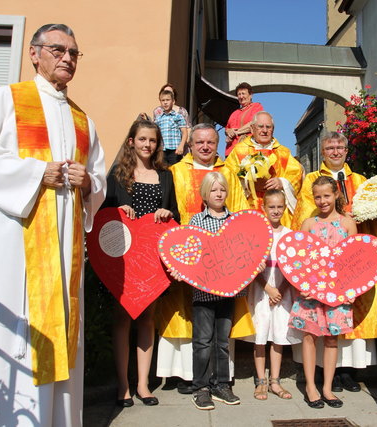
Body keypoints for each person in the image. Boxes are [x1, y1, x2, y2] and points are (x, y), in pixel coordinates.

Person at [0, 24, 106, 426]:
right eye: (58, 49)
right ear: (33, 53)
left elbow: (98, 178)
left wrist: (89, 182)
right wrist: (35, 174)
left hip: (64, 252)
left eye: (74, 53)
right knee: (16, 334)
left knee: (61, 335)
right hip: (15, 246)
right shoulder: (6, 100)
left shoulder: (83, 120)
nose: (67, 58)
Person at [292, 132, 377, 393]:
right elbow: (304, 221)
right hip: (319, 269)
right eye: (330, 148)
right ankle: (325, 376)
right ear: (322, 152)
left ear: (347, 151)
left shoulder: (360, 181)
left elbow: (371, 224)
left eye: (340, 147)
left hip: (348, 269)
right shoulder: (312, 181)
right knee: (318, 327)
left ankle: (348, 371)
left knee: (342, 323)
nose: (335, 152)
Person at [155, 123, 249, 394]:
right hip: (185, 259)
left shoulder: (229, 172)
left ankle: (220, 378)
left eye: (210, 142)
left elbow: (241, 215)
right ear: (191, 145)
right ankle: (183, 375)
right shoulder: (175, 172)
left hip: (222, 266)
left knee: (217, 332)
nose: (205, 147)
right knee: (185, 319)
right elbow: (168, 212)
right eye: (199, 143)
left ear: (217, 144)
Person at [169, 172, 264, 410]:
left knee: (222, 342)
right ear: (205, 194)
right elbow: (189, 253)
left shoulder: (235, 221)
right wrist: (181, 270)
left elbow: (246, 250)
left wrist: (256, 263)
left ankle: (222, 384)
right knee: (202, 341)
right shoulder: (196, 221)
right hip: (203, 293)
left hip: (228, 292)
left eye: (222, 189)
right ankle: (200, 387)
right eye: (214, 190)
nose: (219, 194)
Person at [101, 119, 179, 407]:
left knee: (147, 318)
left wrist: (166, 213)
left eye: (153, 140)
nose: (148, 145)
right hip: (124, 260)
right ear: (131, 141)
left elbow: (176, 217)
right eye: (143, 139)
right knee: (122, 318)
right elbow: (101, 218)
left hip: (154, 260)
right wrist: (116, 209)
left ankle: (144, 385)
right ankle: (123, 386)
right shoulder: (117, 176)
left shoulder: (165, 176)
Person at [289, 176, 357, 409]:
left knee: (331, 339)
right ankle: (310, 386)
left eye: (326, 195)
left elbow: (353, 259)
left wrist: (351, 289)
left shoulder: (347, 223)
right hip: (311, 293)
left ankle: (327, 387)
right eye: (317, 196)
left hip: (338, 292)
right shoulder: (309, 224)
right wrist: (303, 286)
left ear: (336, 195)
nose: (322, 201)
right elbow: (298, 260)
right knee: (309, 337)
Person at [246, 189, 301, 401]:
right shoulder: (258, 234)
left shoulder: (289, 235)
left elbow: (293, 268)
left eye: (280, 206)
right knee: (260, 337)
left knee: (278, 336)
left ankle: (275, 381)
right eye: (272, 207)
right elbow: (251, 265)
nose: (276, 211)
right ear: (263, 208)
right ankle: (260, 381)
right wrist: (267, 287)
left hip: (282, 291)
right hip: (261, 290)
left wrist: (281, 290)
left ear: (285, 207)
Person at [225, 111, 304, 228]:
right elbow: (228, 177)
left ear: (273, 129)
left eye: (268, 127)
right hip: (248, 209)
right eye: (260, 126)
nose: (265, 130)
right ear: (252, 129)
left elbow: (297, 174)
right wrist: (248, 184)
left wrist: (282, 182)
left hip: (278, 213)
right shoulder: (239, 151)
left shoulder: (283, 152)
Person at [224, 82, 263, 156]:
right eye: (239, 94)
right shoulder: (234, 113)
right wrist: (229, 132)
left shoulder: (256, 107)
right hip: (230, 152)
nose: (241, 96)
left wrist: (236, 132)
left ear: (250, 95)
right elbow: (227, 128)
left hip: (247, 150)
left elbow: (253, 124)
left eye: (243, 93)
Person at [154, 89, 188, 165]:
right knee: (163, 170)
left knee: (174, 171)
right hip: (162, 150)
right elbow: (155, 133)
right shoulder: (158, 118)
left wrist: (181, 146)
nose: (165, 102)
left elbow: (184, 132)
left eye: (167, 100)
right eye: (163, 100)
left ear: (173, 101)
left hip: (175, 150)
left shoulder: (178, 116)